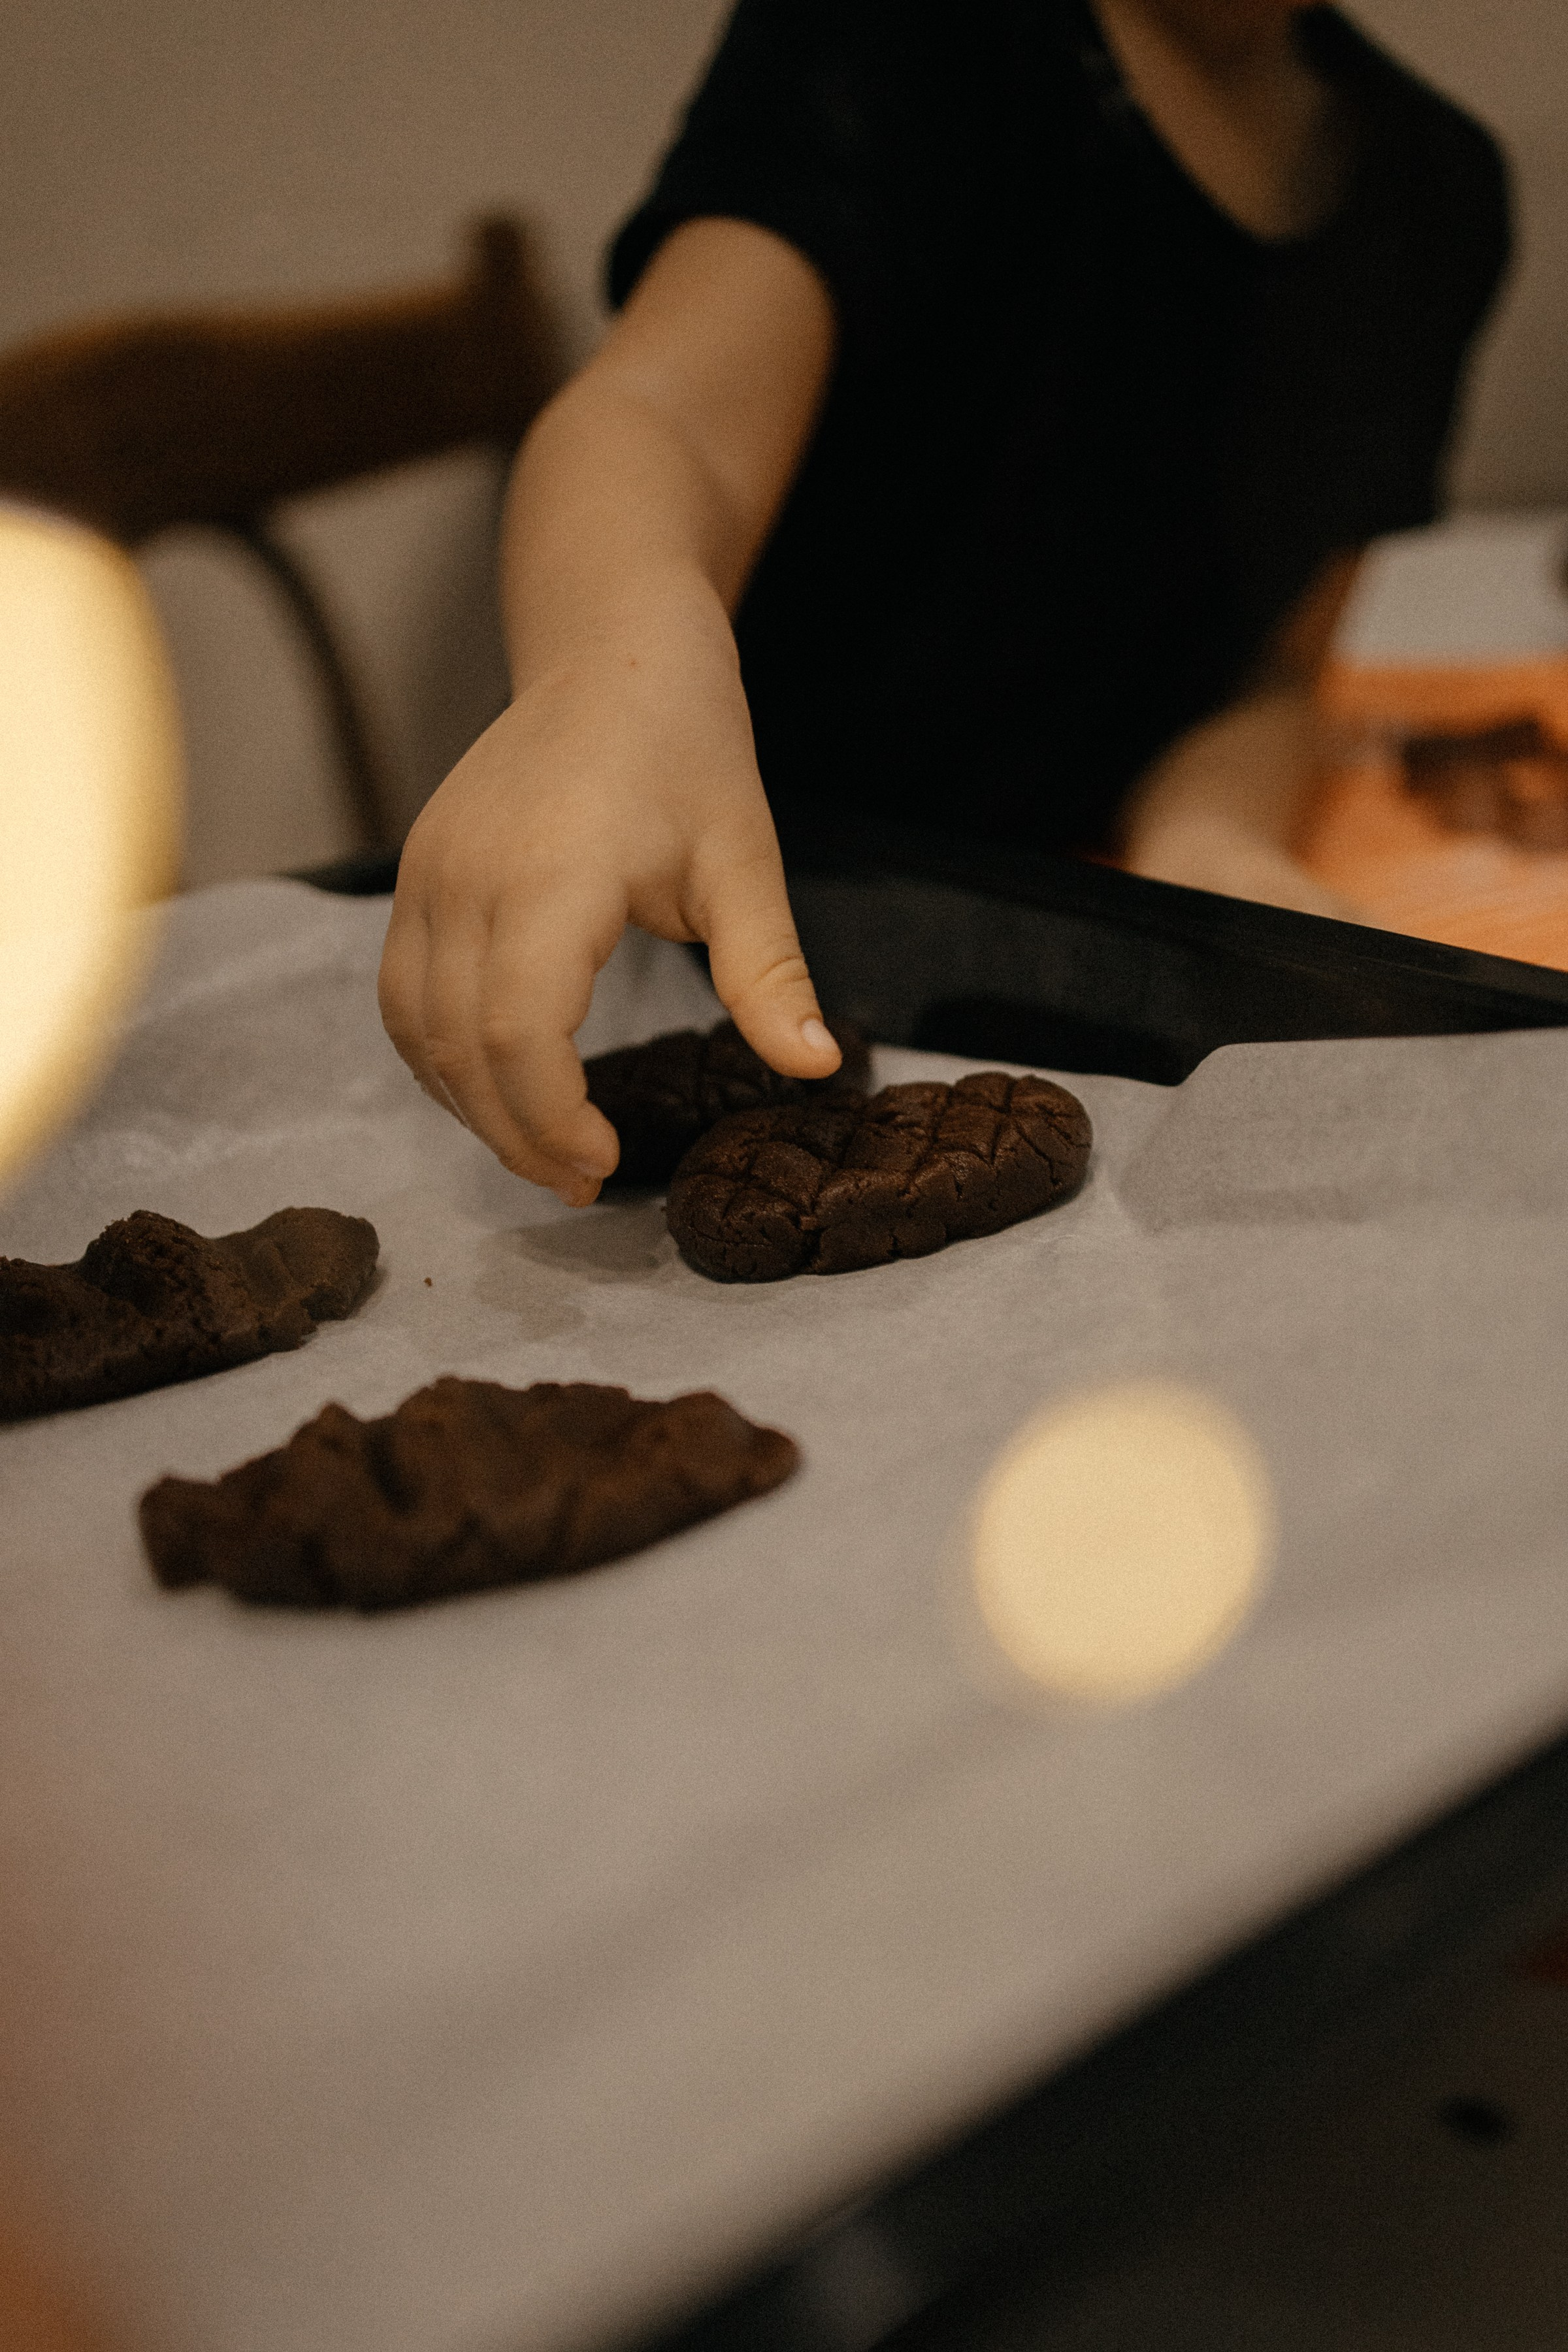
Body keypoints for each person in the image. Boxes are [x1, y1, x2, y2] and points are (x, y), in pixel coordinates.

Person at [378, 0, 1509, 1203]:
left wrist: (1209, 832)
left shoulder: (1437, 195)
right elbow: (665, 419)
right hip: (698, 931)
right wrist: (600, 668)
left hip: (1060, 947)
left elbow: (1274, 668)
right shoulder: (911, 36)